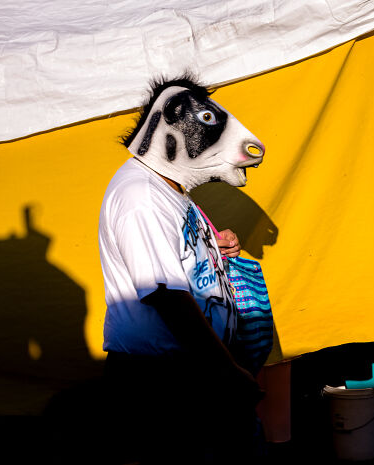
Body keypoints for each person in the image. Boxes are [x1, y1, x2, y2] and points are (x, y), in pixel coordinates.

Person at [98, 77, 266, 464]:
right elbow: (165, 294)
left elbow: (179, 261)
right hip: (160, 384)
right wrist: (227, 371)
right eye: (204, 118)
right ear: (171, 126)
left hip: (188, 371)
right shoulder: (141, 196)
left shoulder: (170, 189)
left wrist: (215, 248)